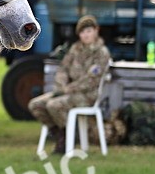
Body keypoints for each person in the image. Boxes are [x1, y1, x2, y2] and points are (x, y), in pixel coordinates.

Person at [28, 15, 111, 151]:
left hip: (87, 95)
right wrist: (61, 85)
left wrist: (67, 89)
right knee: (36, 105)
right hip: (66, 92)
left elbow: (90, 80)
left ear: (96, 31)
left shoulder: (101, 53)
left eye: (89, 31)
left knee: (54, 105)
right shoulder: (75, 49)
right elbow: (63, 69)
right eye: (83, 32)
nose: (86, 35)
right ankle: (61, 134)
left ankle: (65, 139)